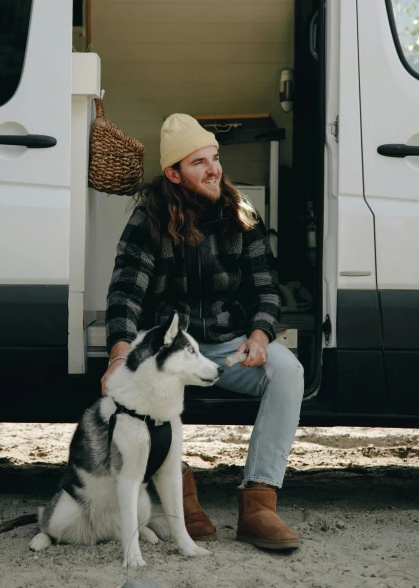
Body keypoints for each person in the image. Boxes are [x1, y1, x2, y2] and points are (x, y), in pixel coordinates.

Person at [102, 113, 304, 550]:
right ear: (174, 174)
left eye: (215, 158)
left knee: (289, 371)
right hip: (171, 352)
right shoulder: (148, 220)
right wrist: (120, 354)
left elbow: (266, 289)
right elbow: (125, 294)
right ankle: (181, 496)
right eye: (199, 162)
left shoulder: (241, 213)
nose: (214, 169)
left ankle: (259, 504)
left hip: (231, 346)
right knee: (142, 388)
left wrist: (260, 335)